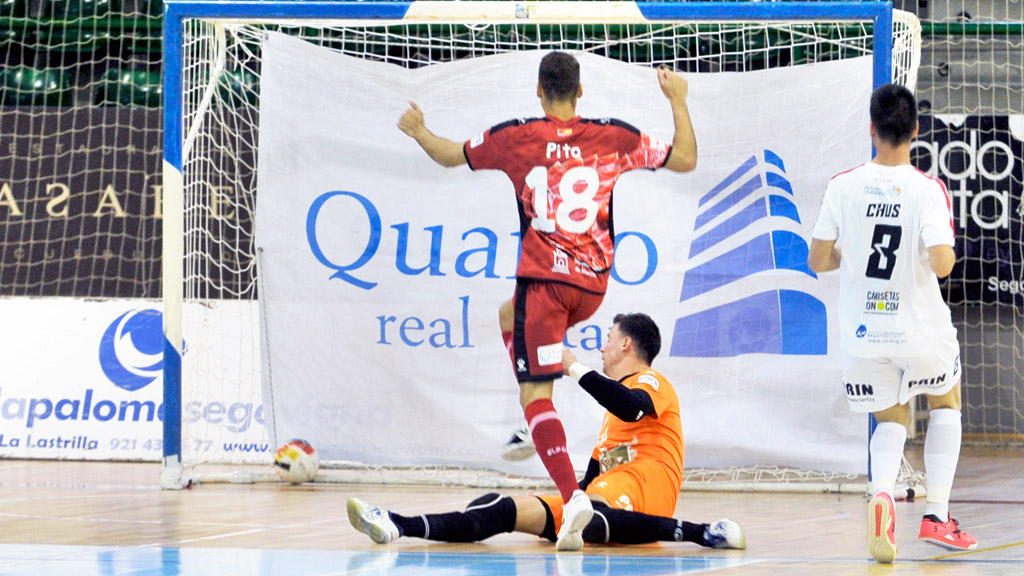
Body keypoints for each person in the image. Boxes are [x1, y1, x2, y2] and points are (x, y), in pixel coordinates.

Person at [397, 50, 698, 549]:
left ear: (539, 92)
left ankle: (569, 491)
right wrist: (678, 99)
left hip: (547, 283)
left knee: (537, 393)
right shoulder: (611, 135)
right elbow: (685, 159)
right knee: (505, 315)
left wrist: (418, 130)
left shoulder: (516, 137)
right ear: (580, 93)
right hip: (593, 285)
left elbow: (449, 154)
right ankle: (533, 413)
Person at [348, 313, 745, 552]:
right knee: (502, 508)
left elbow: (629, 405)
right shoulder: (610, 421)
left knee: (591, 514)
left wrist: (573, 368)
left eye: (608, 340)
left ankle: (703, 532)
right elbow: (589, 479)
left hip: (644, 491)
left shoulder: (651, 381)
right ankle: (398, 523)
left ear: (626, 343)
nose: (603, 349)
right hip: (604, 496)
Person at [808, 83, 976, 564]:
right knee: (947, 400)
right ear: (916, 131)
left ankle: (882, 491)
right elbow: (943, 264)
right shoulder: (927, 188)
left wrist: (853, 253)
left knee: (890, 416)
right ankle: (937, 515)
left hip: (863, 333)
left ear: (872, 129)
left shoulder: (843, 185)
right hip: (919, 329)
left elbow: (818, 259)